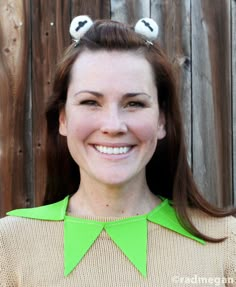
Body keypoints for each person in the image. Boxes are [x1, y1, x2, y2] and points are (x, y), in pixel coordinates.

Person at [0, 16, 235, 286]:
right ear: (63, 119)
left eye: (134, 103)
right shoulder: (8, 247)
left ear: (161, 121)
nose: (113, 126)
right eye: (90, 102)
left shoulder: (227, 245)